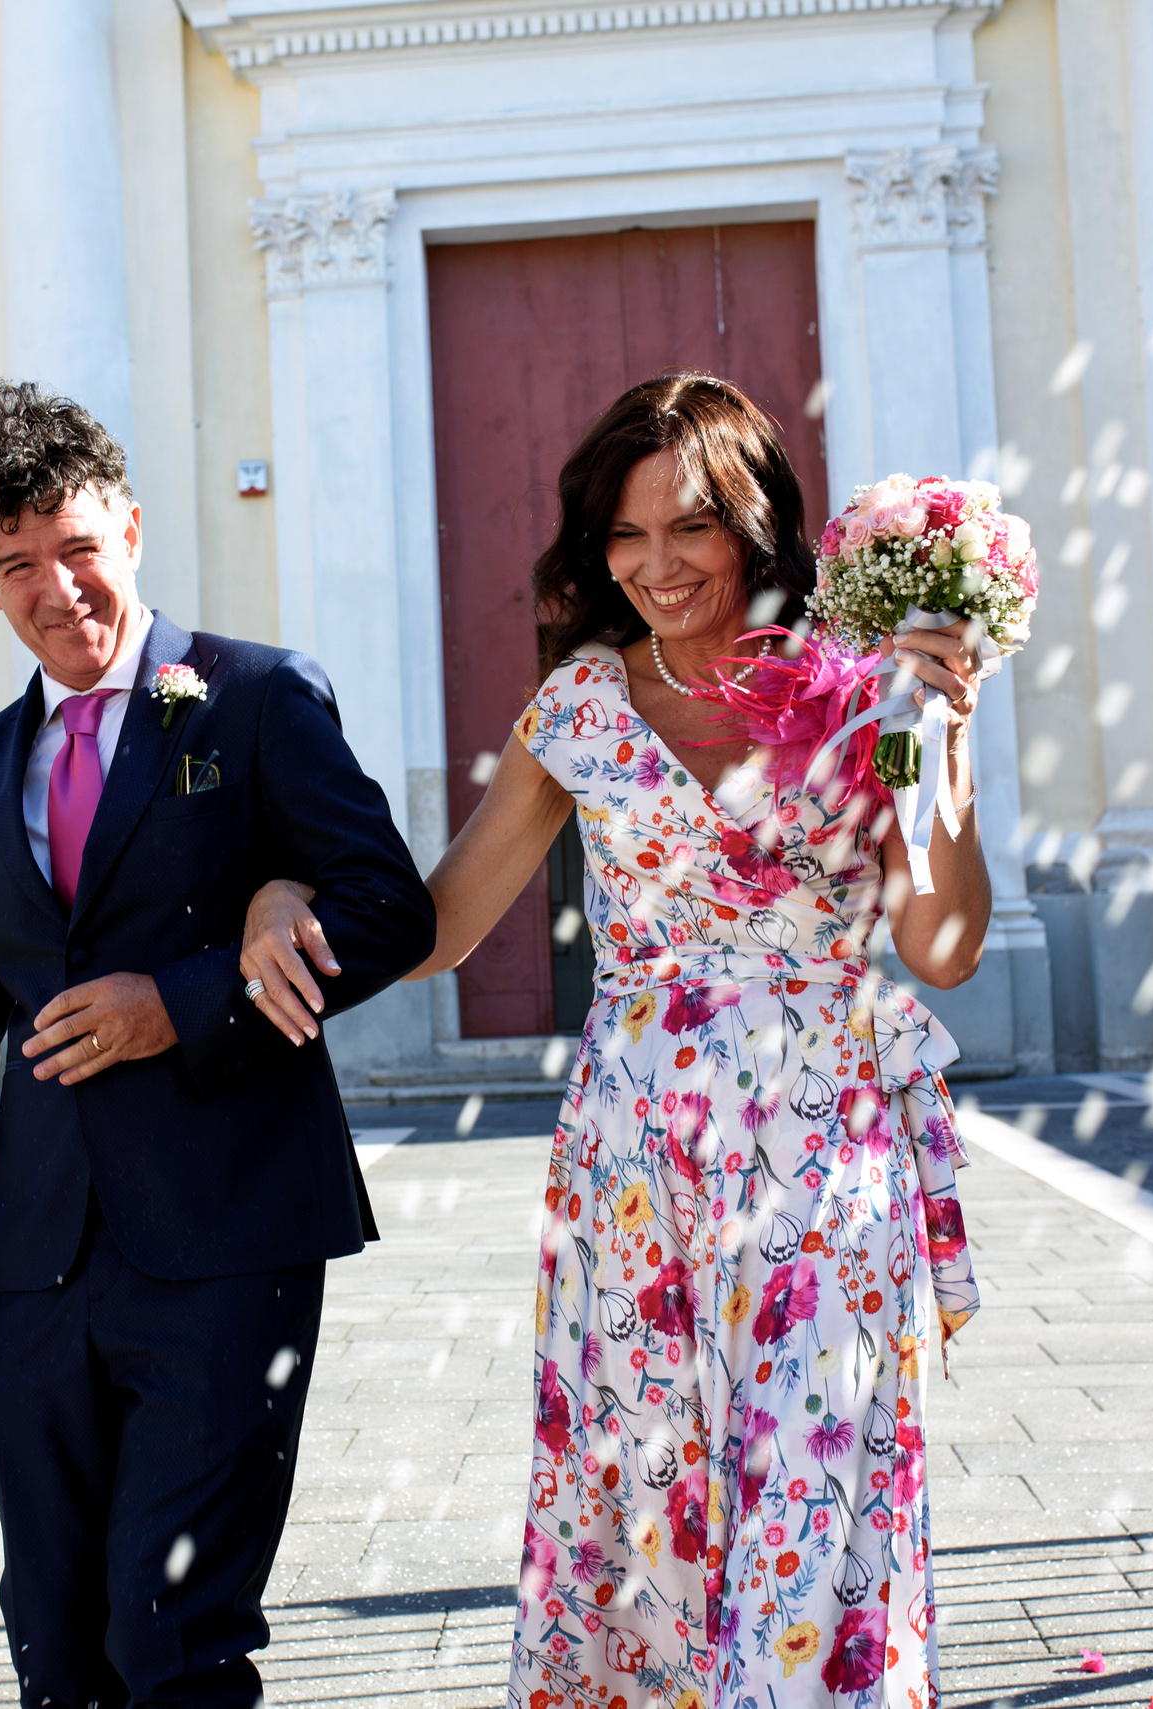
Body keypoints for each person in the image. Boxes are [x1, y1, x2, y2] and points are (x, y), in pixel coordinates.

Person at [238, 372, 987, 1703]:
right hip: (636, 1170)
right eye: (625, 537)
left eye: (688, 530)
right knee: (650, 1512)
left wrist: (947, 752)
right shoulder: (579, 708)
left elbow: (941, 948)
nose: (655, 566)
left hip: (827, 1150)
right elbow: (445, 922)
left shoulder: (872, 692)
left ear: (754, 525)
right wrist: (280, 894)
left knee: (819, 1498)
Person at [0, 381, 437, 1707]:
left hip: (233, 1231)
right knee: (54, 1635)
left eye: (76, 545)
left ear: (125, 522)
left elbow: (387, 908)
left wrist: (180, 1001)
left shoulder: (257, 702)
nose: (58, 586)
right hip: (44, 1259)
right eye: (17, 565)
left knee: (174, 1625)